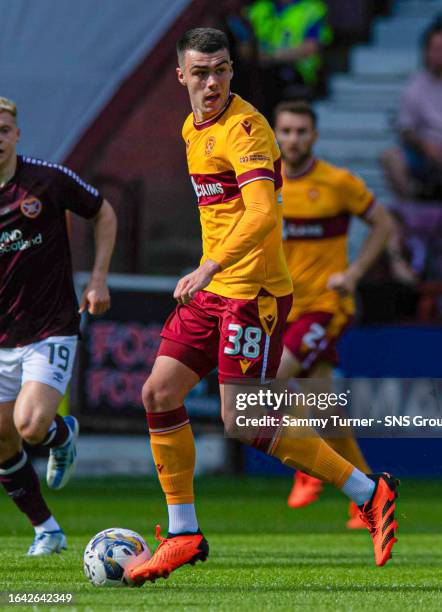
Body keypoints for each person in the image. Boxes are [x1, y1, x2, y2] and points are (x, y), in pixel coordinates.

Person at [130, 28, 399, 584]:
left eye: (222, 70)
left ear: (233, 70)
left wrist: (208, 265)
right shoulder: (191, 127)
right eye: (200, 72)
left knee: (246, 421)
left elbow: (261, 214)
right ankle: (183, 533)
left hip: (252, 294)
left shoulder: (246, 129)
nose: (211, 82)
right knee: (158, 392)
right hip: (214, 292)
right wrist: (210, 275)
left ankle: (368, 492)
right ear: (181, 75)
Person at [0, 97, 117, 555]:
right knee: (1, 438)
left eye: (4, 128)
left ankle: (60, 434)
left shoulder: (46, 179)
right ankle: (46, 529)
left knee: (29, 427)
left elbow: (103, 211)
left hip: (50, 327)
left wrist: (99, 277)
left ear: (17, 135)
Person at [274, 101, 393, 526]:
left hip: (324, 307)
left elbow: (383, 222)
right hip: (280, 309)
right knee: (324, 405)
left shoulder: (337, 183)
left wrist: (355, 272)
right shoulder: (265, 184)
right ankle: (367, 492)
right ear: (276, 134)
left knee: (277, 376)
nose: (293, 139)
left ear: (314, 136)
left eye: (301, 131)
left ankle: (307, 467)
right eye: (286, 131)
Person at [381, 22, 442, 200]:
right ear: (426, 52)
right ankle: (412, 212)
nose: (440, 54)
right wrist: (426, 147)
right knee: (389, 158)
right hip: (426, 152)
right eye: (435, 49)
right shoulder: (414, 85)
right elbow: (406, 129)